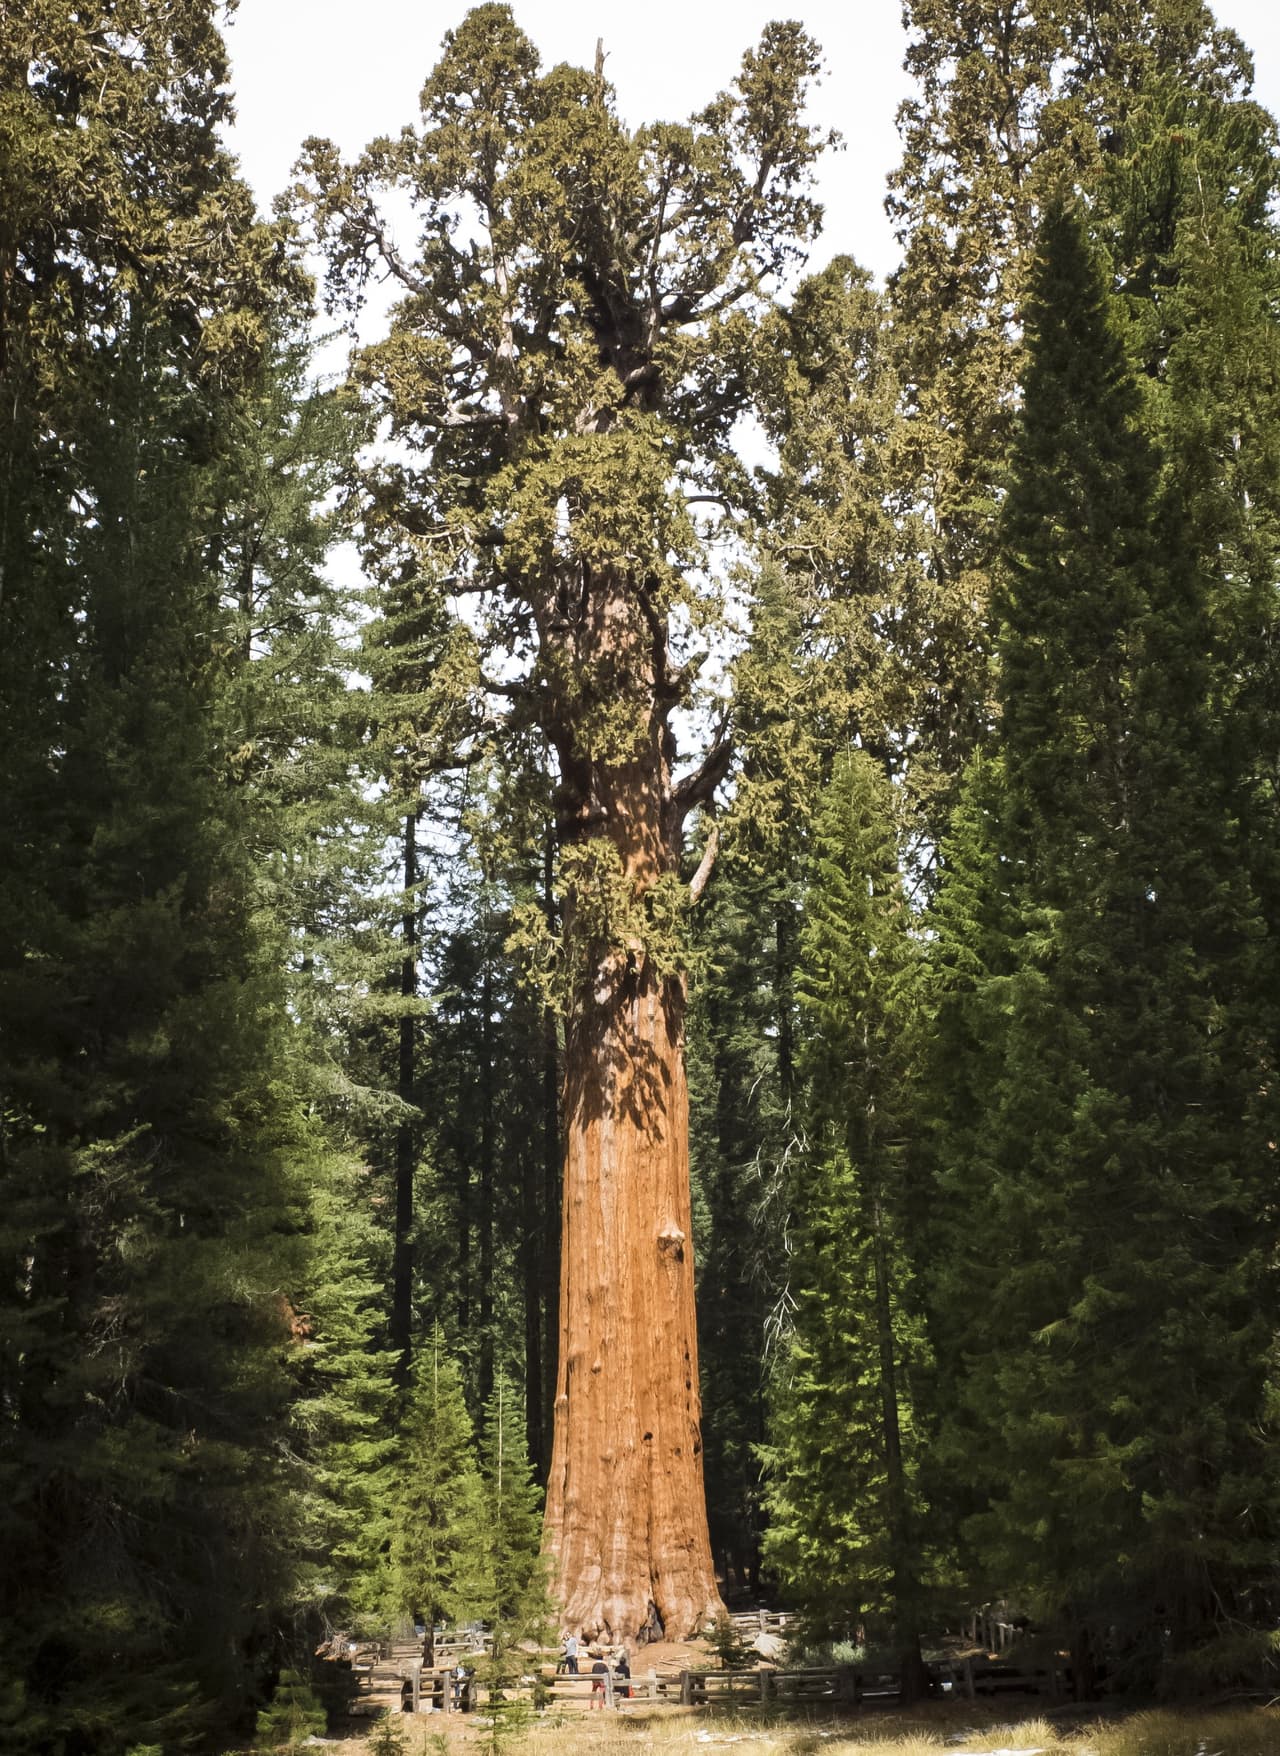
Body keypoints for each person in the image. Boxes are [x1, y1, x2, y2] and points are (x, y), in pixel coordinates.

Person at [588, 1644, 609, 1709]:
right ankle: (600, 1706)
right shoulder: (604, 1665)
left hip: (595, 1680)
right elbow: (607, 1672)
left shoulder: (595, 1665)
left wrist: (593, 1680)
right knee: (601, 1693)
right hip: (601, 1680)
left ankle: (591, 1705)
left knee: (593, 1692)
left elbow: (592, 1672)